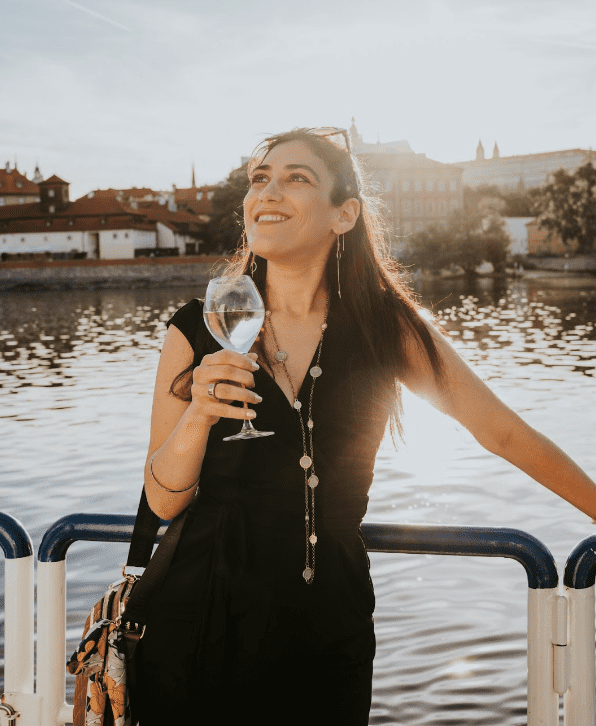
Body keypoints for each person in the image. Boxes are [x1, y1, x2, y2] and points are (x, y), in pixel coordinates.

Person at [135, 127, 596, 725]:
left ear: (344, 214)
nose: (267, 192)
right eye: (259, 179)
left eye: (296, 178)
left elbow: (500, 432)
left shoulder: (387, 325)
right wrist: (197, 415)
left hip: (329, 624)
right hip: (199, 617)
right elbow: (161, 500)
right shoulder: (195, 328)